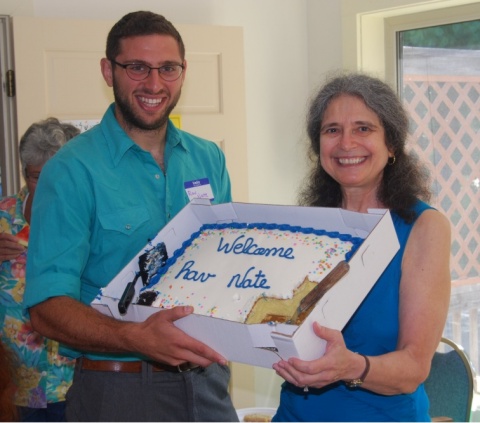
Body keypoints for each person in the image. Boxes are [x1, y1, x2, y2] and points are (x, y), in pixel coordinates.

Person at [23, 11, 237, 422]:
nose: (154, 84)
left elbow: (224, 267)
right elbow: (46, 307)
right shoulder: (70, 170)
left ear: (183, 72)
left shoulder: (208, 157)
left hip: (208, 385)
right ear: (109, 71)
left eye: (168, 69)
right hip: (118, 391)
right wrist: (134, 337)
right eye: (137, 67)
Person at [271, 72, 451, 422]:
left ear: (392, 144)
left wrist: (351, 366)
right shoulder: (305, 226)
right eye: (332, 130)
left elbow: (415, 367)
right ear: (318, 146)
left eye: (364, 129)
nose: (346, 144)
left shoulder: (423, 227)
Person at [0, 117, 79, 421]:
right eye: (36, 177)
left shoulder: (87, 219)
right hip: (13, 383)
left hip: (72, 379)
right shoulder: (4, 216)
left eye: (56, 175)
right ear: (23, 174)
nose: (46, 185)